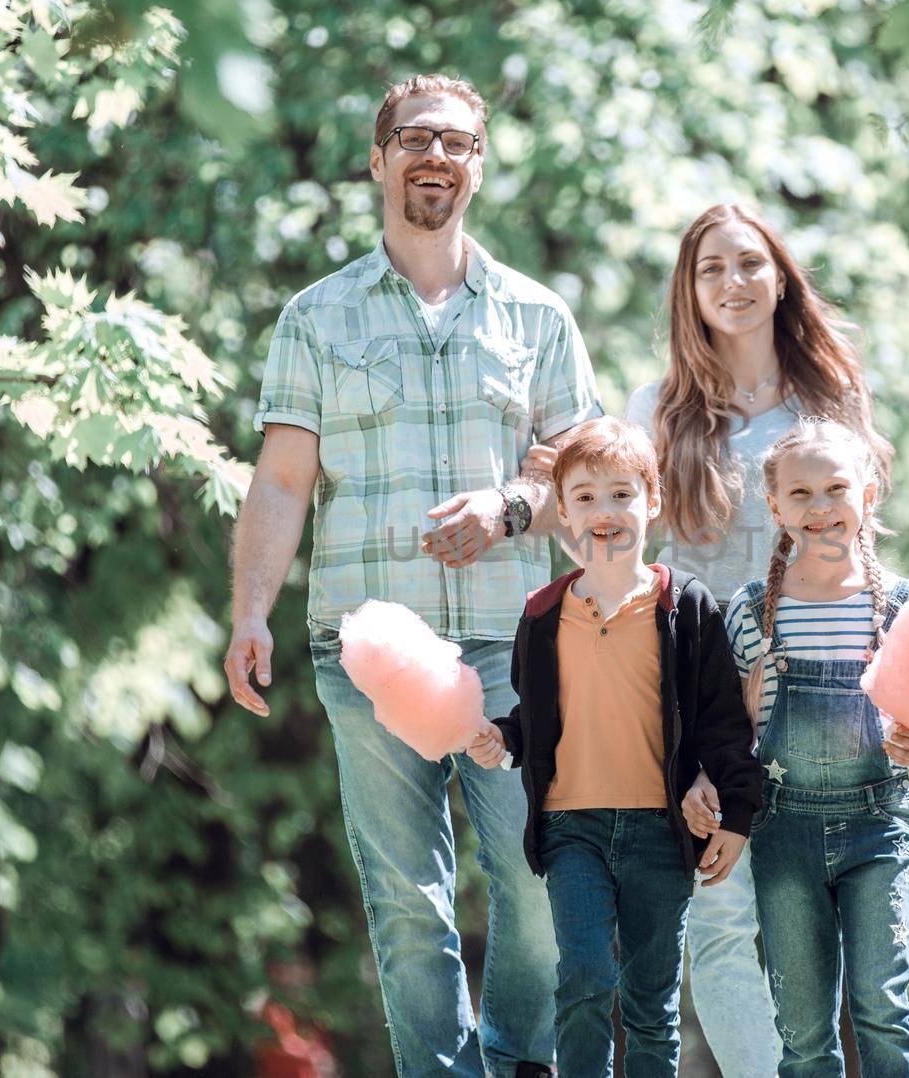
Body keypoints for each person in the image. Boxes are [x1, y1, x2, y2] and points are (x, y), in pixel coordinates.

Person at [224, 73, 602, 1077]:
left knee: (536, 876)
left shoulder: (534, 317)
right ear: (379, 158)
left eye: (459, 142)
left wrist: (508, 507)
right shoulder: (318, 317)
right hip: (367, 653)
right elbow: (282, 480)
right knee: (406, 901)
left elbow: (584, 475)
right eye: (418, 138)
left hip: (515, 645)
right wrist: (249, 611)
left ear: (478, 164)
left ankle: (517, 1057)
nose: (439, 155)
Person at [623, 203, 909, 1075]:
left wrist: (904, 700)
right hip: (708, 697)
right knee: (720, 923)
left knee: (847, 945)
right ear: (688, 291)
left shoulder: (831, 398)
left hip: (828, 694)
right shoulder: (658, 411)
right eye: (710, 269)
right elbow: (633, 563)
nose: (733, 283)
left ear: (781, 277)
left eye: (750, 263)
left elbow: (867, 561)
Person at [466, 416, 763, 1077]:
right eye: (586, 497)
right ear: (565, 516)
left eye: (622, 493)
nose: (605, 511)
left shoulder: (685, 607)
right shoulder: (542, 615)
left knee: (652, 1005)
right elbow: (534, 714)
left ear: (652, 503)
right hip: (573, 829)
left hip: (663, 832)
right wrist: (504, 740)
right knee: (584, 979)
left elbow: (720, 724)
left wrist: (736, 812)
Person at [728, 416, 909, 1077]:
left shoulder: (903, 608)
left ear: (868, 497)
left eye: (835, 489)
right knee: (806, 1028)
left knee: (881, 1003)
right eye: (802, 494)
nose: (820, 508)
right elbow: (727, 734)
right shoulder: (752, 610)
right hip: (784, 829)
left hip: (878, 824)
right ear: (776, 507)